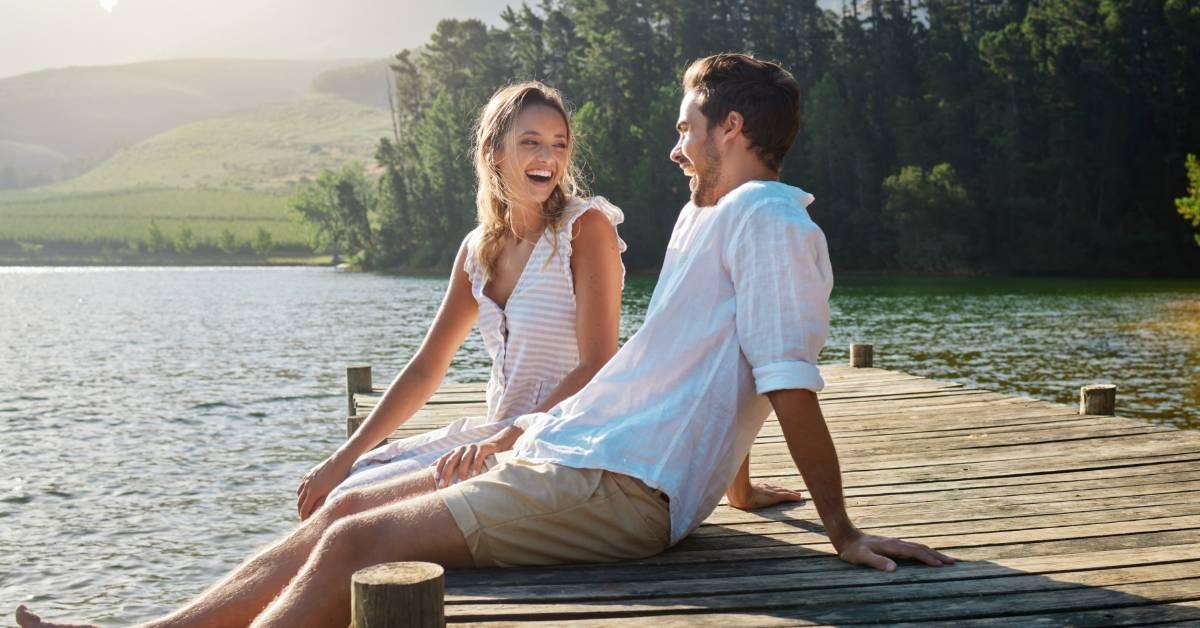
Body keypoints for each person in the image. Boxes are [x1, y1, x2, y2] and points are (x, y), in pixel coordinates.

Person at [16, 55, 950, 628]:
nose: (675, 146)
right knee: (347, 511)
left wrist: (842, 531)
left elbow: (785, 378)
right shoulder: (706, 217)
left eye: (685, 128)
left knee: (360, 539)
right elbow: (695, 367)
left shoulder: (773, 224)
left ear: (731, 129)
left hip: (623, 488)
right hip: (582, 450)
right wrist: (735, 485)